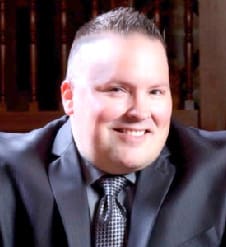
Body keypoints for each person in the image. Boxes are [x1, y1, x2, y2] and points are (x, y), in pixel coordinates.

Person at [1, 7, 226, 247]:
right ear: (69, 97)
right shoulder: (8, 170)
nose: (140, 111)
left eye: (155, 92)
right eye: (117, 90)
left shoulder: (218, 168)